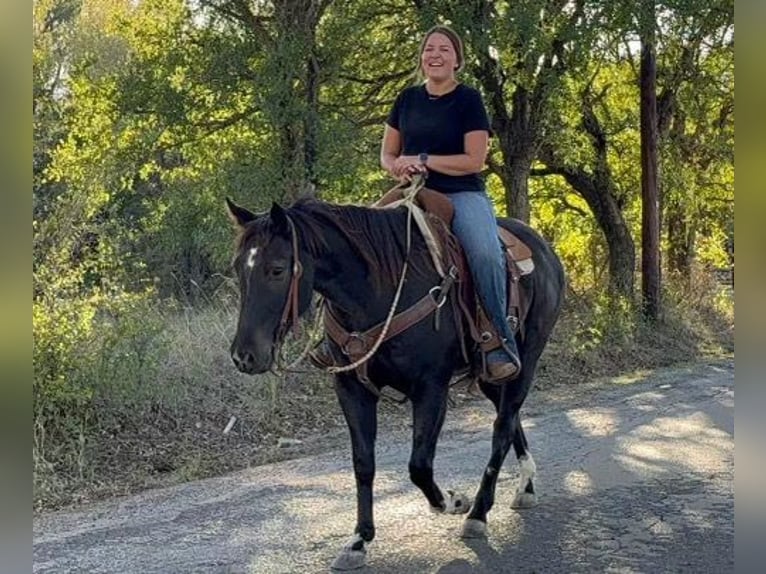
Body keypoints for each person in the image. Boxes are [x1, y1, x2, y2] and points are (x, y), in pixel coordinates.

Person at [380, 25, 521, 382]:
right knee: (360, 236)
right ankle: (351, 340)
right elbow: (387, 153)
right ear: (422, 57)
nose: (435, 55)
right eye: (429, 49)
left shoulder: (469, 99)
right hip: (411, 190)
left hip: (461, 193)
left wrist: (424, 159)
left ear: (457, 59)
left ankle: (497, 341)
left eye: (444, 49)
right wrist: (398, 165)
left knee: (486, 253)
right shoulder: (406, 99)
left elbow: (474, 160)